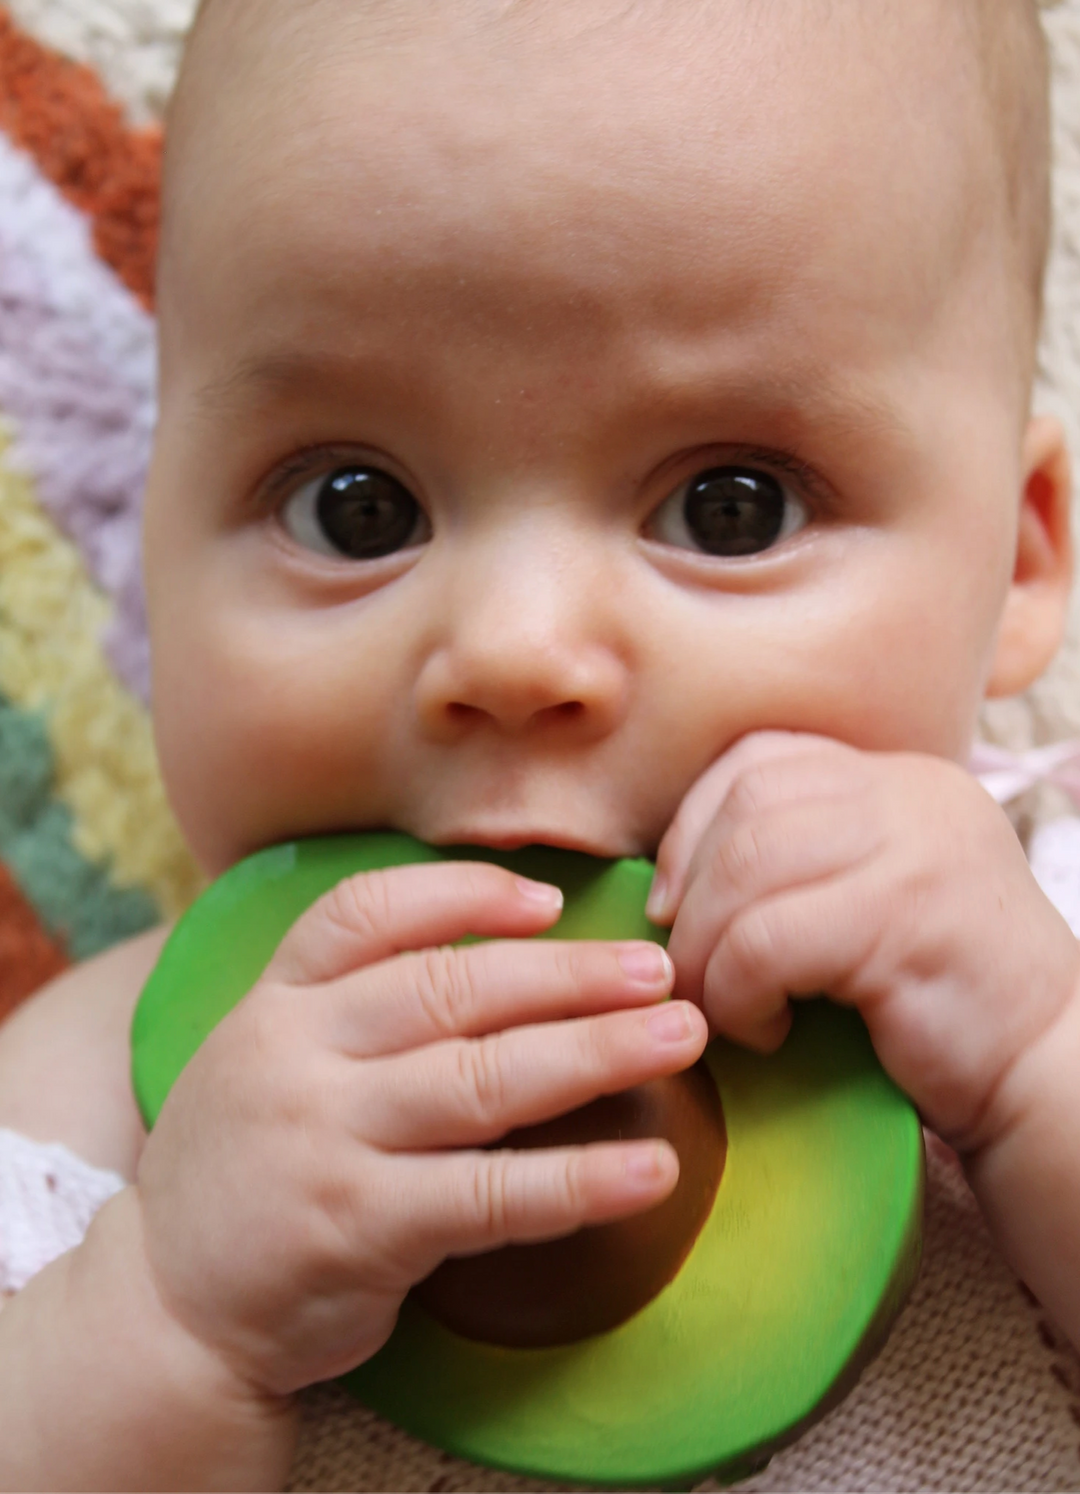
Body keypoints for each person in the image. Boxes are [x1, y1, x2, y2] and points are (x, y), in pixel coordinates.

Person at [1, 0, 1078, 1486]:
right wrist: (167, 1321)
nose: (513, 649)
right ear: (153, 540)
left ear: (1017, 566)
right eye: (354, 505)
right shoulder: (103, 1099)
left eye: (732, 505)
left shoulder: (1045, 953)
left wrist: (1037, 1068)